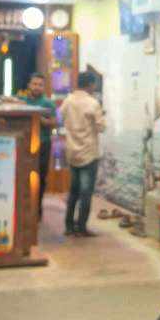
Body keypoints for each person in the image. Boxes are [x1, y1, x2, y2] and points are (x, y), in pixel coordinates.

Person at [60, 71, 105, 237]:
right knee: (86, 193)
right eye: (94, 84)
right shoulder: (93, 103)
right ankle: (81, 228)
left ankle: (68, 226)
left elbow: (62, 116)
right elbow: (101, 127)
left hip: (72, 152)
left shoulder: (68, 100)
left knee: (73, 191)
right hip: (88, 154)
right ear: (90, 84)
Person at [18, 73, 56, 221]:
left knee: (40, 178)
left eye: (40, 85)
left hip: (43, 144)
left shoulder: (48, 103)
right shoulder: (21, 101)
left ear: (44, 87)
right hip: (24, 145)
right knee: (23, 178)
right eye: (34, 84)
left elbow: (53, 123)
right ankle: (23, 209)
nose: (37, 87)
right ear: (29, 85)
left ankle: (37, 211)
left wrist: (37, 117)